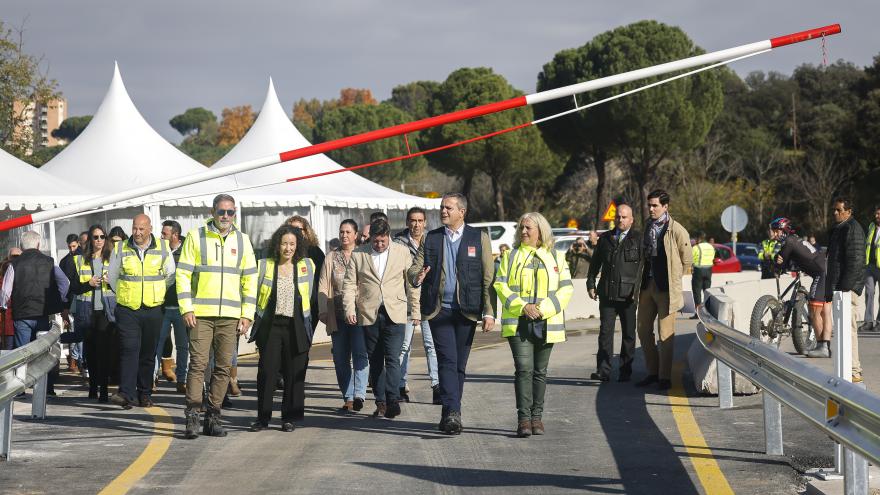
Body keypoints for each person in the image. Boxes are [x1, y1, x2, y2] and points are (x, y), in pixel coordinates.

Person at [409, 193, 495, 435]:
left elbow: (489, 278)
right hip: (439, 310)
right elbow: (414, 267)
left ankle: (448, 412)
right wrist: (417, 276)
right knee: (447, 360)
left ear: (462, 212)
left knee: (459, 365)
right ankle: (454, 412)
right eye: (441, 207)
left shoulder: (479, 238)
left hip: (467, 311)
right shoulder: (432, 238)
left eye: (448, 207)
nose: (443, 211)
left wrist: (489, 312)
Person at [177, 194, 258, 438]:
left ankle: (214, 416)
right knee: (198, 366)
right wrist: (187, 307)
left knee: (223, 368)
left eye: (230, 212)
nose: (225, 216)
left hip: (231, 316)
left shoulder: (243, 241)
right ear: (213, 212)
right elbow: (182, 274)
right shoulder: (196, 236)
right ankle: (192, 415)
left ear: (235, 214)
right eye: (221, 211)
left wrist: (247, 315)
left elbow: (250, 279)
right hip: (200, 315)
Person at [494, 212, 572, 437]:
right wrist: (523, 307)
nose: (523, 232)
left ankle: (537, 417)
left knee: (540, 371)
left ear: (541, 230)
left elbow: (566, 289)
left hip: (547, 323)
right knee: (524, 370)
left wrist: (543, 309)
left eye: (528, 228)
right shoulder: (510, 256)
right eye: (521, 228)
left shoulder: (557, 257)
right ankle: (524, 420)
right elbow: (500, 285)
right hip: (518, 324)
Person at [343, 218, 419, 419]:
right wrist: (349, 309)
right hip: (369, 313)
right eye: (375, 242)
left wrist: (416, 311)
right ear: (370, 239)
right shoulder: (359, 254)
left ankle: (393, 399)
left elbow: (411, 283)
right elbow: (350, 284)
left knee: (393, 357)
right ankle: (381, 400)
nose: (379, 245)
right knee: (375, 360)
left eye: (383, 241)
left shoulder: (401, 252)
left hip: (395, 312)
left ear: (388, 237)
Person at [248, 225, 315, 432]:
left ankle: (289, 418)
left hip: (296, 326)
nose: (288, 248)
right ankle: (263, 418)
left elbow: (312, 295)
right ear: (277, 245)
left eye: (292, 244)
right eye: (284, 243)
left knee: (294, 373)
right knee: (267, 373)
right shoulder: (264, 265)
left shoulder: (307, 265)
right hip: (271, 327)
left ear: (298, 246)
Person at [107, 214, 175, 409]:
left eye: (141, 229)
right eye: (135, 228)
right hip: (128, 308)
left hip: (153, 308)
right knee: (129, 349)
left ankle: (144, 393)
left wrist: (157, 292)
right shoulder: (121, 248)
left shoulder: (163, 247)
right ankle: (126, 393)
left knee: (147, 353)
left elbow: (170, 276)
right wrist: (126, 293)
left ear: (150, 229)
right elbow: (113, 277)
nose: (137, 232)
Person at [0, 232, 69, 396]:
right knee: (44, 353)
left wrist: (3, 305)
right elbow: (64, 282)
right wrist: (60, 299)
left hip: (22, 314)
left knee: (23, 354)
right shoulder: (49, 262)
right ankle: (46, 388)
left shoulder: (14, 265)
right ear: (38, 245)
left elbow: (5, 291)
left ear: (23, 247)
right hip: (43, 313)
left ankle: (20, 388)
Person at [636, 189, 691, 390]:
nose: (651, 209)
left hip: (666, 288)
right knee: (642, 330)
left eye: (655, 205)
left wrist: (675, 279)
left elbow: (687, 259)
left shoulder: (676, 229)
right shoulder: (648, 226)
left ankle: (664, 376)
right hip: (646, 286)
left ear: (665, 207)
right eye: (649, 205)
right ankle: (652, 371)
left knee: (665, 333)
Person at [587, 204, 643, 383]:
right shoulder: (605, 238)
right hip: (607, 293)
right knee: (605, 333)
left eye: (624, 217)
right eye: (618, 217)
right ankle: (603, 371)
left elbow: (643, 267)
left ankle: (625, 371)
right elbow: (595, 264)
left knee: (628, 334)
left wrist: (638, 290)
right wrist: (591, 284)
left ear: (631, 220)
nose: (620, 220)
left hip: (629, 295)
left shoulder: (639, 239)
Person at [318, 219, 369, 412]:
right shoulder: (332, 257)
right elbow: (323, 284)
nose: (344, 235)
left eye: (348, 232)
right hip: (337, 316)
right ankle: (348, 396)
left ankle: (359, 395)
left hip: (360, 315)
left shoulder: (364, 254)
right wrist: (323, 309)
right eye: (342, 232)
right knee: (340, 358)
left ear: (356, 235)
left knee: (360, 354)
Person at [393, 206, 440, 404]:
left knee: (431, 345)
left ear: (425, 223)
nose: (416, 225)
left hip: (428, 301)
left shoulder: (433, 240)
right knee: (405, 346)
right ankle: (401, 385)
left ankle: (437, 386)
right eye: (413, 220)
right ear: (407, 222)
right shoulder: (398, 244)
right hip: (406, 302)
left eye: (420, 221)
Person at [66, 225, 116, 402]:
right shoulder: (79, 260)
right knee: (91, 352)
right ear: (90, 240)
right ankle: (93, 387)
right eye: (95, 237)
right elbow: (73, 288)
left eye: (102, 236)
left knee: (105, 352)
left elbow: (122, 285)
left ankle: (103, 390)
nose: (99, 240)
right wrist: (89, 284)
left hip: (106, 312)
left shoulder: (113, 258)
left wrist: (111, 282)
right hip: (87, 311)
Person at [769, 217, 830, 357]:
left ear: (783, 231)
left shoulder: (789, 242)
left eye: (776, 231)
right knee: (824, 311)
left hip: (822, 272)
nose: (774, 234)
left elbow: (781, 263)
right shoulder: (794, 240)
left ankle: (823, 348)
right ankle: (824, 346)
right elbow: (791, 257)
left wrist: (776, 266)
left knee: (814, 309)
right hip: (825, 269)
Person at [825, 198, 866, 381]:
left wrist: (845, 289)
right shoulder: (840, 229)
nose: (835, 213)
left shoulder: (852, 229)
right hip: (840, 289)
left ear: (848, 211)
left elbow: (856, 261)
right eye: (834, 210)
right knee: (843, 331)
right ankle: (846, 370)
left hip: (846, 290)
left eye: (838, 210)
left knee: (849, 330)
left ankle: (854, 370)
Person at [156, 220, 188, 393]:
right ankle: (153, 377)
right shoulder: (160, 252)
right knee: (157, 344)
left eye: (165, 234)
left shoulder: (186, 252)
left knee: (183, 346)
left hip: (182, 308)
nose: (161, 237)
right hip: (162, 307)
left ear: (175, 235)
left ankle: (181, 379)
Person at [59, 233, 82, 373]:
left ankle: (76, 360)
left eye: (74, 246)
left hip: (78, 298)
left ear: (78, 243)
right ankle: (75, 360)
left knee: (76, 331)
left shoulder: (82, 258)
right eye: (70, 247)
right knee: (74, 330)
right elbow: (63, 286)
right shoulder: (66, 260)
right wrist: (64, 306)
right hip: (72, 299)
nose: (72, 249)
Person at [862, 205, 880, 333]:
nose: (876, 216)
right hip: (870, 266)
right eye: (876, 214)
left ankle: (879, 322)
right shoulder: (872, 226)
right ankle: (868, 321)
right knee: (869, 293)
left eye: (879, 214)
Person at [0, 248, 20, 350]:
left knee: (8, 349)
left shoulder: (4, 270)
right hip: (13, 318)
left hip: (8, 319)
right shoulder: (20, 270)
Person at [691, 232, 715, 317]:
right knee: (707, 291)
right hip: (709, 270)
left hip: (698, 270)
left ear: (699, 239)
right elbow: (713, 257)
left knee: (697, 292)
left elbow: (691, 258)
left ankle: (698, 313)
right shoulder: (711, 247)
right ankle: (708, 312)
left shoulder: (696, 248)